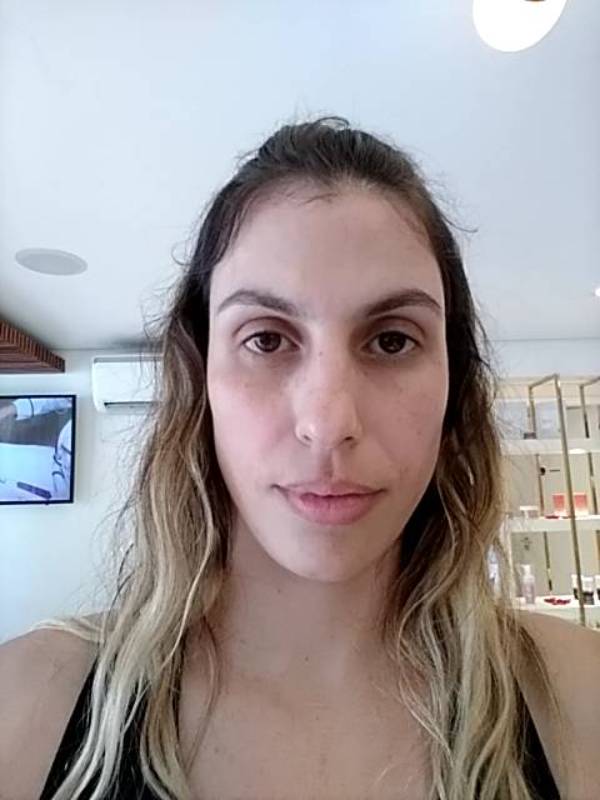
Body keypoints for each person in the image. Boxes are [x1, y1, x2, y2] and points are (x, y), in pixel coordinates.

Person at [1, 116, 599, 800]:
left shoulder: (581, 702)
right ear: (200, 379)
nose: (328, 424)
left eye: (393, 341)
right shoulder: (25, 708)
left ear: (454, 389)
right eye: (266, 339)